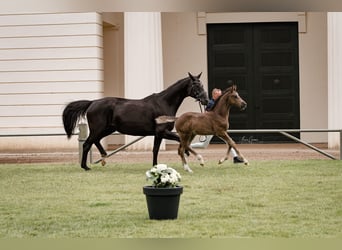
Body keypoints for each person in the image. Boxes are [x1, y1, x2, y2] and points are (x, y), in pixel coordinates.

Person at [191, 88, 244, 163]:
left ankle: (235, 157)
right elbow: (206, 113)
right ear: (214, 95)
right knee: (203, 145)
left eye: (221, 94)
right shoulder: (211, 103)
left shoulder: (220, 103)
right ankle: (188, 146)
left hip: (218, 127)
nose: (221, 96)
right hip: (210, 128)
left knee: (228, 141)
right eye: (219, 95)